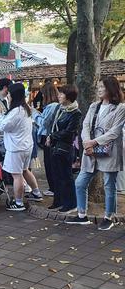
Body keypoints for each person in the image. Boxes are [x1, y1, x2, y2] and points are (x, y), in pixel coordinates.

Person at [66, 77, 125, 230]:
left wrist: (94, 142)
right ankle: (81, 215)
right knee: (80, 182)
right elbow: (86, 125)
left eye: (102, 87)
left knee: (109, 184)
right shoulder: (94, 106)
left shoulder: (120, 108)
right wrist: (87, 142)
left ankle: (109, 217)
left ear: (111, 89)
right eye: (98, 87)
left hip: (110, 151)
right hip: (90, 151)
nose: (99, 90)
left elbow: (115, 131)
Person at [0, 83, 43, 211]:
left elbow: (3, 126)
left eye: (9, 94)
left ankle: (19, 203)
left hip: (16, 148)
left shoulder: (16, 111)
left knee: (17, 175)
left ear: (14, 95)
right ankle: (36, 193)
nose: (7, 96)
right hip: (26, 146)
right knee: (25, 170)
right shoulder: (25, 108)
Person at [46, 84, 81, 213]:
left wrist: (53, 136)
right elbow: (52, 125)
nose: (59, 96)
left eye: (62, 94)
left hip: (65, 148)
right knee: (56, 175)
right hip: (55, 146)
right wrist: (51, 136)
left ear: (69, 96)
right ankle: (58, 201)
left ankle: (70, 203)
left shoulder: (76, 113)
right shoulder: (59, 109)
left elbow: (69, 132)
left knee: (66, 176)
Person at [32, 82, 60, 197]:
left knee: (49, 163)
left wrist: (34, 114)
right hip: (51, 136)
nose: (42, 96)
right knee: (50, 163)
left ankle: (53, 188)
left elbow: (44, 122)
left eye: (43, 94)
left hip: (48, 137)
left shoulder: (52, 106)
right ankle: (53, 187)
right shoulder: (56, 105)